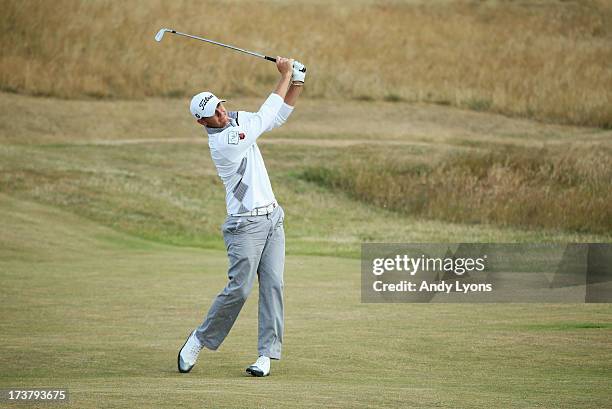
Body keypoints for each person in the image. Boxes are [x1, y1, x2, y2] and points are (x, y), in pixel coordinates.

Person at [177, 57, 305, 377]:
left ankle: (265, 355)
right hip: (244, 225)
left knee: (273, 285)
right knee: (239, 289)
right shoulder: (225, 142)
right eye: (214, 114)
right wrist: (286, 74)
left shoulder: (236, 122)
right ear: (202, 123)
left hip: (272, 218)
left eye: (221, 107)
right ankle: (198, 340)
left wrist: (297, 83)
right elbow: (263, 116)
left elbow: (276, 117)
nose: (222, 113)